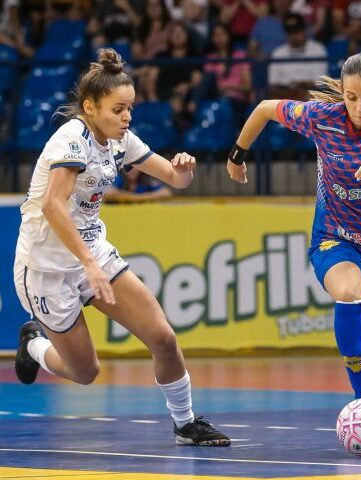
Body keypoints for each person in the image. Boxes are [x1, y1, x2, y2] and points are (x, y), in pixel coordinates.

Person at [13, 48, 230, 447]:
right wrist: (87, 265)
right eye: (118, 109)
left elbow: (173, 179)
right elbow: (52, 206)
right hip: (46, 267)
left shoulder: (119, 140)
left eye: (130, 108)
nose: (127, 117)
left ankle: (185, 424)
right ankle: (35, 346)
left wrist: (182, 171)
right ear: (90, 107)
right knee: (85, 372)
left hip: (92, 252)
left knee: (163, 338)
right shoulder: (71, 139)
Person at [226, 52, 361, 445]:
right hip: (335, 238)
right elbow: (263, 108)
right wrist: (238, 154)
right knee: (348, 292)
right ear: (341, 93)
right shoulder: (322, 118)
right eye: (353, 97)